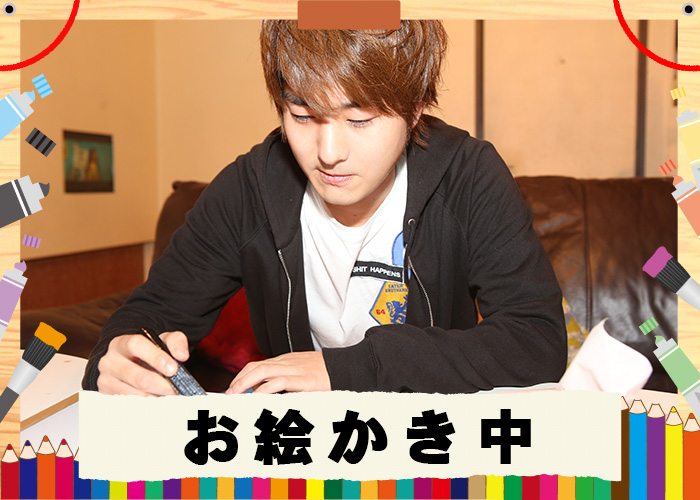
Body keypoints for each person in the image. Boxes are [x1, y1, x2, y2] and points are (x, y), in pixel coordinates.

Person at [83, 20, 567, 396]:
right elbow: (148, 314)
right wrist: (122, 358)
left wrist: (347, 369)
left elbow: (535, 341)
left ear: (416, 108)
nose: (328, 152)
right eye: (303, 115)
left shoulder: (468, 176)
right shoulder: (249, 190)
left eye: (360, 119)